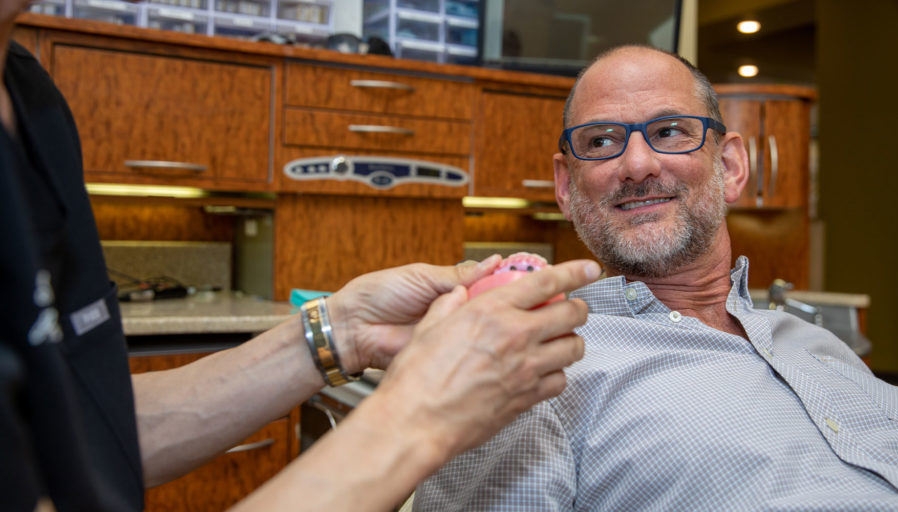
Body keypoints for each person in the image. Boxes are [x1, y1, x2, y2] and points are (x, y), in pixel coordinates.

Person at [0, 1, 603, 509]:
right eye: (600, 141)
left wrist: (340, 330)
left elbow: (87, 431)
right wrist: (420, 414)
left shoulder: (31, 100)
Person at [413, 46, 898, 511]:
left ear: (729, 166)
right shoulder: (535, 370)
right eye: (602, 141)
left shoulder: (821, 349)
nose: (638, 164)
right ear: (566, 189)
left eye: (671, 131)